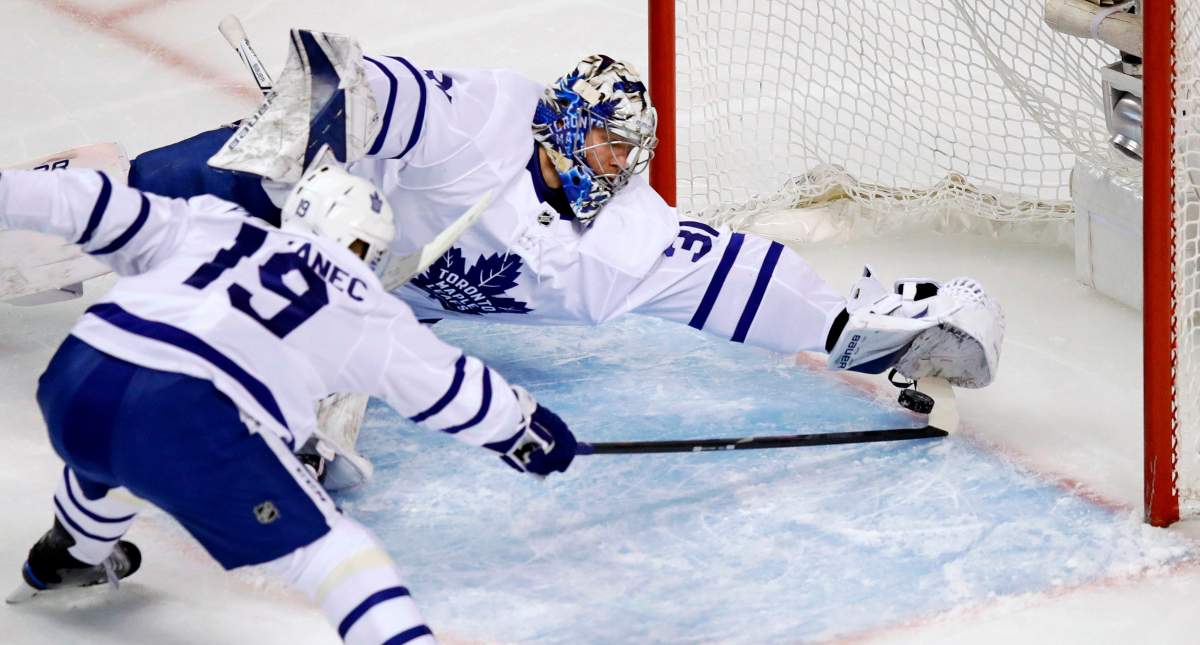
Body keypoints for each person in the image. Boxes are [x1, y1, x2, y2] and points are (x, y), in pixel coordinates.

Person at [133, 32, 1004, 388]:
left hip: (366, 301)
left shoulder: (623, 240)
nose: (618, 168)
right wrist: (302, 139)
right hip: (297, 202)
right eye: (606, 146)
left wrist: (863, 327)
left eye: (631, 154)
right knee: (137, 196)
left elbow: (732, 273)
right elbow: (354, 82)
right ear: (559, 126)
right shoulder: (483, 119)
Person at [0, 164, 575, 645]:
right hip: (186, 413)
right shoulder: (361, 301)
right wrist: (525, 432)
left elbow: (86, 202)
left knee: (116, 451)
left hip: (78, 375)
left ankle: (73, 550)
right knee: (337, 556)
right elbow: (449, 386)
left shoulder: (213, 223)